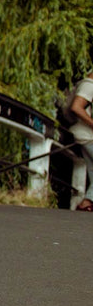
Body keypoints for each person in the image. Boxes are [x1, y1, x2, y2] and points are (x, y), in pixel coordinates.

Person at [67, 73, 93, 211]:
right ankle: (86, 203)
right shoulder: (89, 85)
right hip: (86, 135)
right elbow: (76, 107)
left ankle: (87, 204)